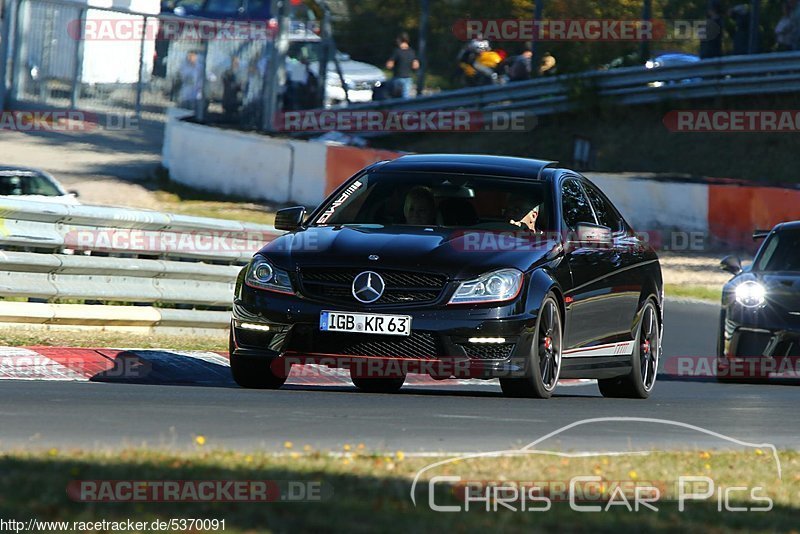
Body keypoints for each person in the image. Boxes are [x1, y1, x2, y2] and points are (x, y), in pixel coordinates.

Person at [386, 32, 419, 98]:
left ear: (399, 40)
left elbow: (389, 65)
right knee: (406, 97)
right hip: (408, 78)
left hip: (398, 78)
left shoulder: (397, 51)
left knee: (392, 94)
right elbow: (416, 65)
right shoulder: (412, 52)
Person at [222, 57, 242, 122]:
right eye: (235, 62)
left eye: (238, 63)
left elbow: (240, 87)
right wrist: (236, 85)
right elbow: (227, 84)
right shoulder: (227, 72)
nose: (237, 64)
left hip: (235, 100)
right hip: (228, 100)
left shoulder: (239, 73)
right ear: (232, 63)